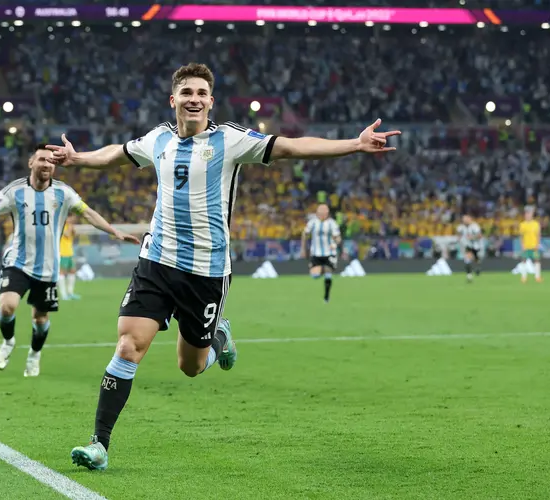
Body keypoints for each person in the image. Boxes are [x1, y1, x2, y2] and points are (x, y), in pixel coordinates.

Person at [47, 62, 400, 470]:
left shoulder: (230, 140)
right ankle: (99, 444)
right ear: (173, 99)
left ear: (211, 101)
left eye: (201, 93)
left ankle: (219, 339)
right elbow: (117, 154)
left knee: (191, 366)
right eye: (187, 93)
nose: (194, 99)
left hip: (207, 271)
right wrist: (78, 158)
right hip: (156, 261)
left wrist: (353, 145)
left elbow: (289, 146)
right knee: (129, 345)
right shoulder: (158, 138)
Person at [0, 145, 140, 377]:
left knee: (40, 318)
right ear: (31, 163)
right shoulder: (14, 191)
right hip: (18, 261)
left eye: (51, 162)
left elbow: (87, 213)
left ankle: (35, 355)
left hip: (48, 267)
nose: (47, 164)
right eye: (42, 160)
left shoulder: (63, 193)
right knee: (7, 306)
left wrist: (114, 232)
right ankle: (8, 341)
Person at [300, 204, 341, 302]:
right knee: (315, 276)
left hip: (330, 253)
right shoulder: (312, 223)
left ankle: (326, 296)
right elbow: (305, 234)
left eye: (324, 212)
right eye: (320, 212)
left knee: (328, 274)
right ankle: (323, 268)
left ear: (327, 213)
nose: (322, 214)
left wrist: (335, 244)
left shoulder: (332, 223)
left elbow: (338, 238)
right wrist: (303, 248)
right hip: (316, 253)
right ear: (317, 213)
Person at [59, 216, 81, 300]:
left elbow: (75, 235)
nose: (72, 219)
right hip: (62, 253)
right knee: (62, 273)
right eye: (70, 217)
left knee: (72, 271)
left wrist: (73, 229)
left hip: (70, 252)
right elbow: (67, 234)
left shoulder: (70, 226)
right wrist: (71, 227)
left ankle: (70, 292)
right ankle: (64, 294)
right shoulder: (60, 226)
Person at [518, 208, 542, 283]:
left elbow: (538, 235)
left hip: (534, 246)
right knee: (523, 261)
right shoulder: (522, 224)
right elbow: (521, 236)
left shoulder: (536, 224)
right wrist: (522, 245)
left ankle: (537, 277)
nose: (527, 216)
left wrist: (537, 244)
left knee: (537, 260)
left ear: (532, 215)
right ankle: (524, 277)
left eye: (529, 214)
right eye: (526, 214)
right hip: (526, 246)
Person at [456, 214, 482, 283]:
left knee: (476, 259)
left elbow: (479, 236)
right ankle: (469, 275)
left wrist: (472, 237)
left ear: (469, 219)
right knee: (467, 259)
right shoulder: (461, 227)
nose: (464, 221)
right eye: (463, 219)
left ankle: (478, 267)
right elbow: (459, 234)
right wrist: (459, 238)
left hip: (476, 246)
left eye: (466, 219)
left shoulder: (475, 226)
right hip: (467, 246)